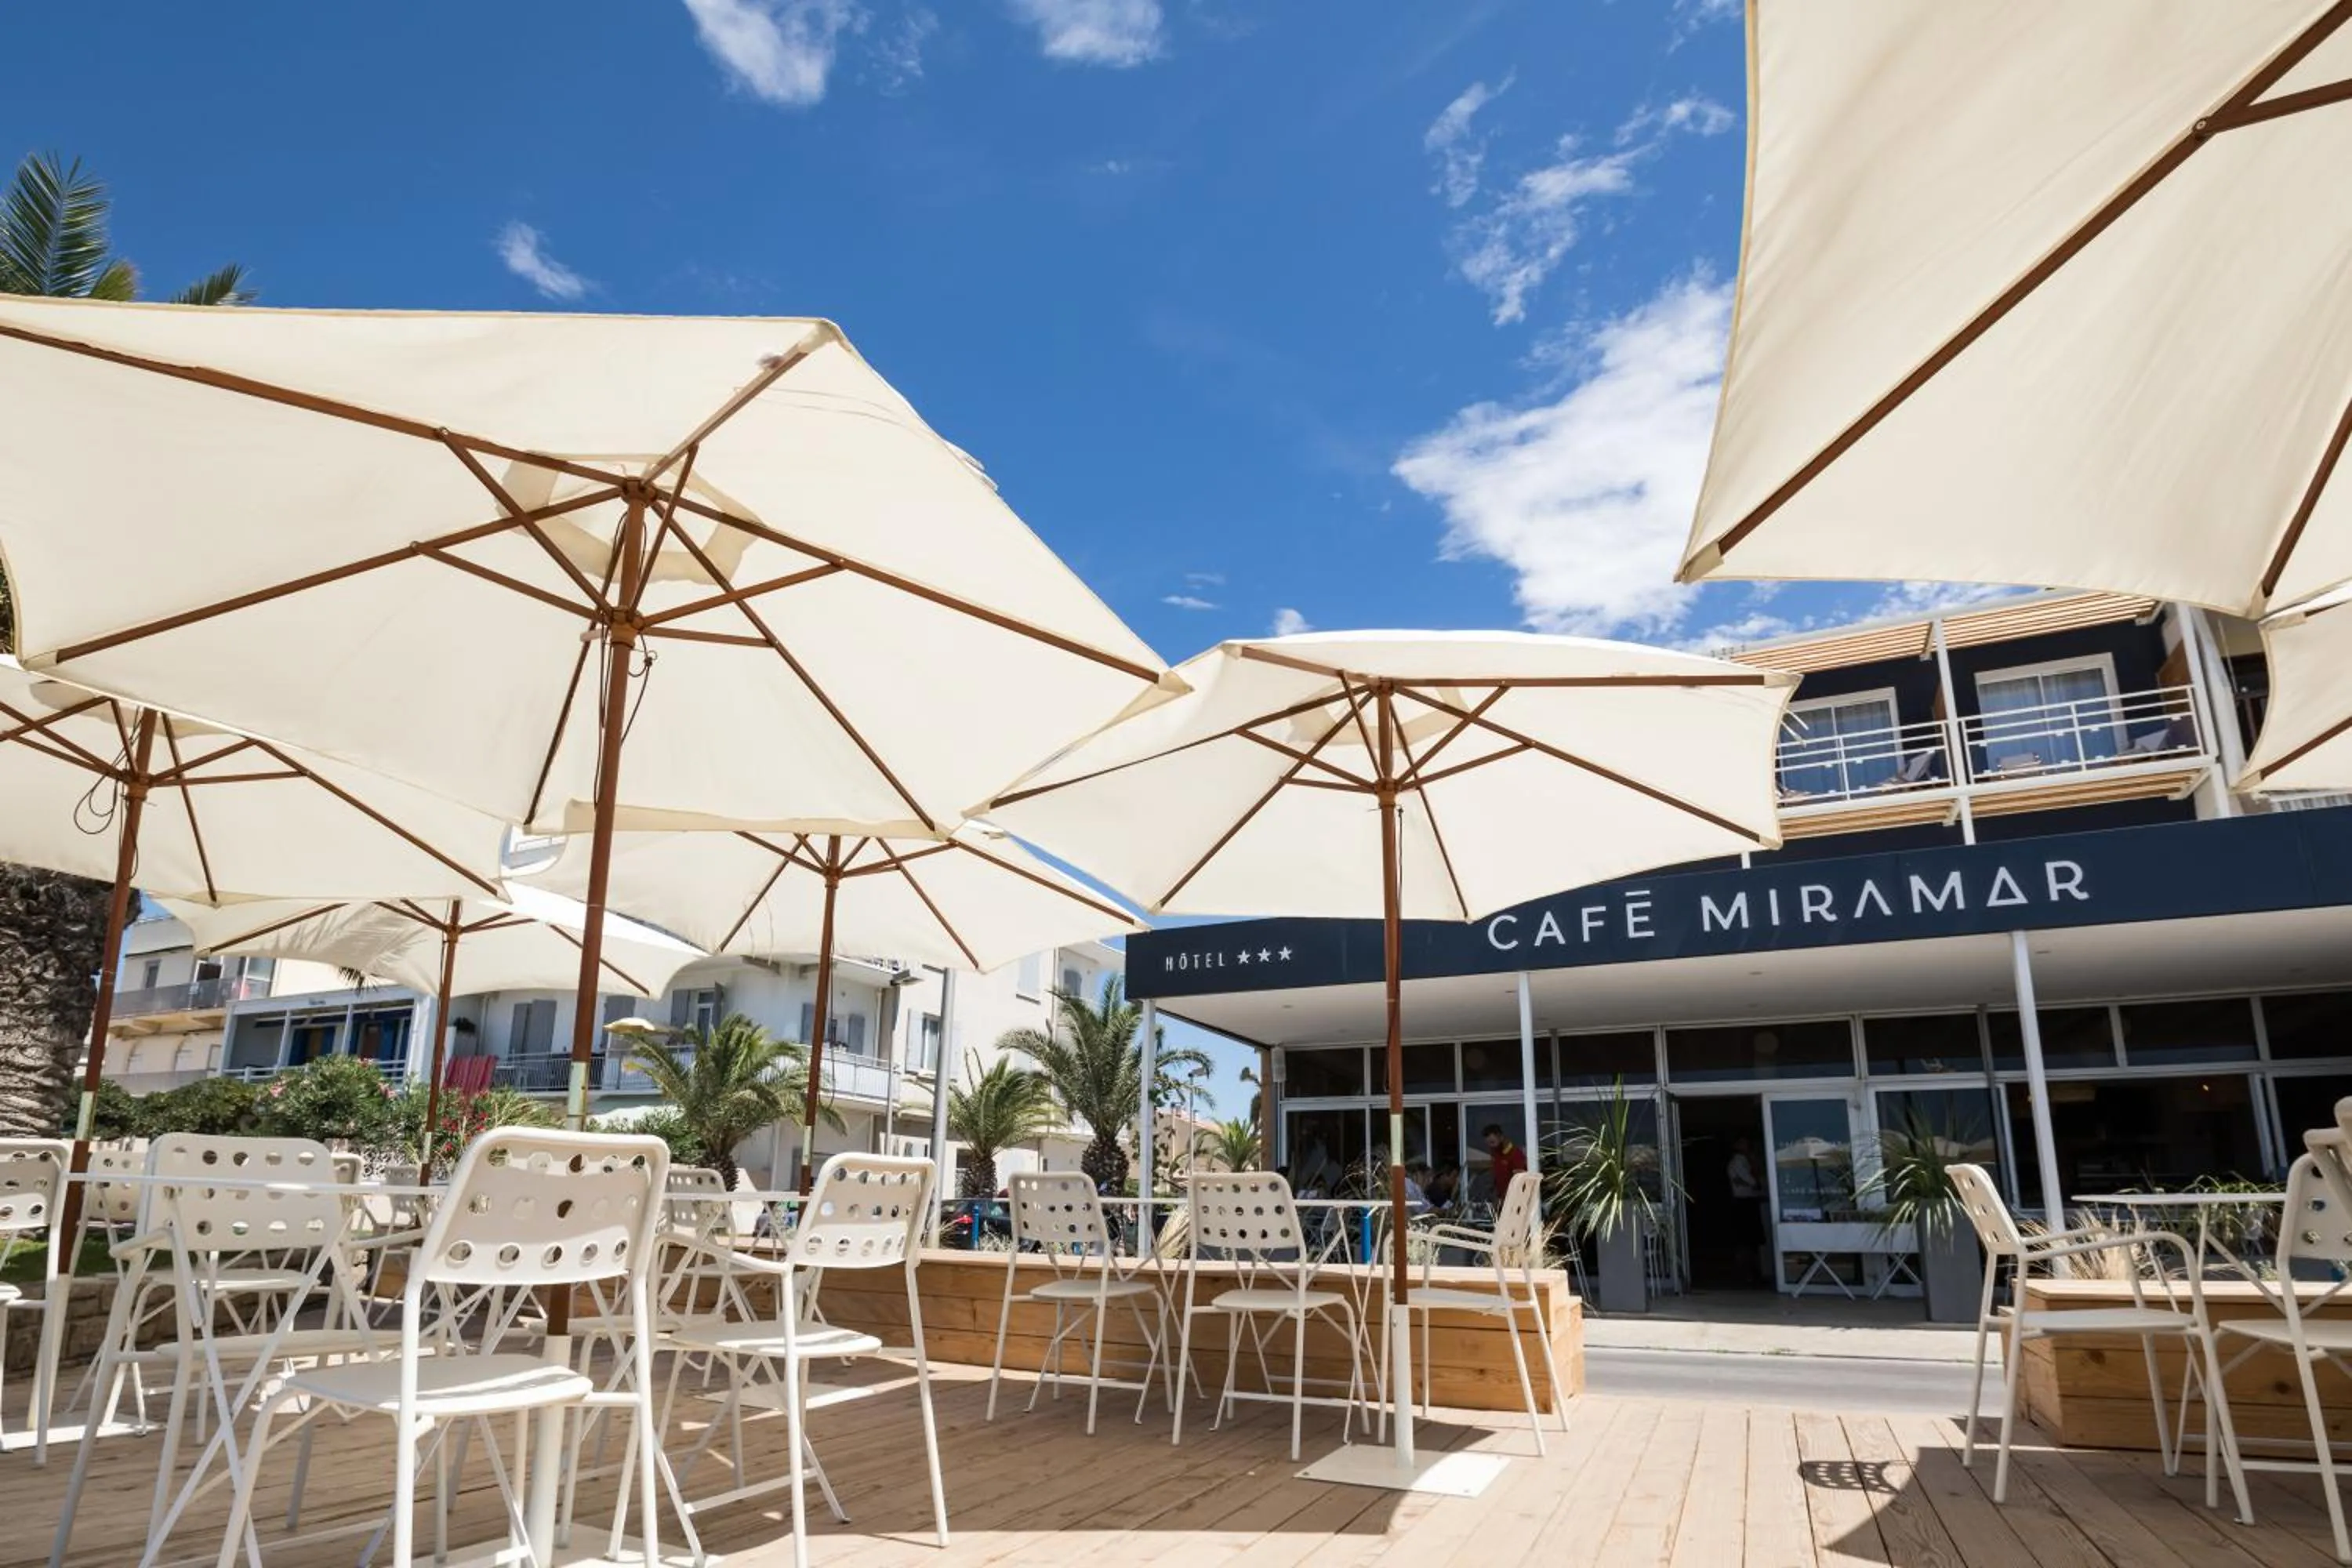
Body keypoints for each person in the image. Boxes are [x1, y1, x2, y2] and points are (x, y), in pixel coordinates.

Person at [1727, 1134, 1771, 1285]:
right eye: (1743, 1143)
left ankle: (1754, 1272)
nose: (1747, 1146)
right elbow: (1752, 1181)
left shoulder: (1746, 1160)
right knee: (1746, 1240)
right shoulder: (1738, 1161)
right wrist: (1756, 1183)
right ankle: (1748, 1273)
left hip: (1748, 1201)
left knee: (1749, 1240)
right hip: (1744, 1203)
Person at [1482, 1123, 1528, 1196]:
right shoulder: (1495, 1153)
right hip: (1502, 1195)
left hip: (1515, 1195)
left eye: (1493, 1142)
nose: (1490, 1144)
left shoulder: (1514, 1153)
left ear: (1501, 1137)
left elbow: (1520, 1177)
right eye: (1489, 1142)